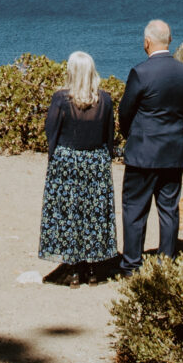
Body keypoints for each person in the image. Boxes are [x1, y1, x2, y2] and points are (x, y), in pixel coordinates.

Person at [117, 19, 183, 274]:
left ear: (147, 42)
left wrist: (131, 136)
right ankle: (167, 261)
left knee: (135, 209)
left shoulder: (140, 73)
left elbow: (125, 112)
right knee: (169, 208)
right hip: (173, 149)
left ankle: (131, 265)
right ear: (169, 40)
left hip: (143, 152)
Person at [39, 49, 119, 284]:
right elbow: (110, 134)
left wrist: (54, 159)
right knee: (94, 213)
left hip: (67, 160)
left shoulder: (61, 98)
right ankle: (94, 268)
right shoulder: (104, 99)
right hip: (95, 160)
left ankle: (73, 269)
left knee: (68, 213)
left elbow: (51, 131)